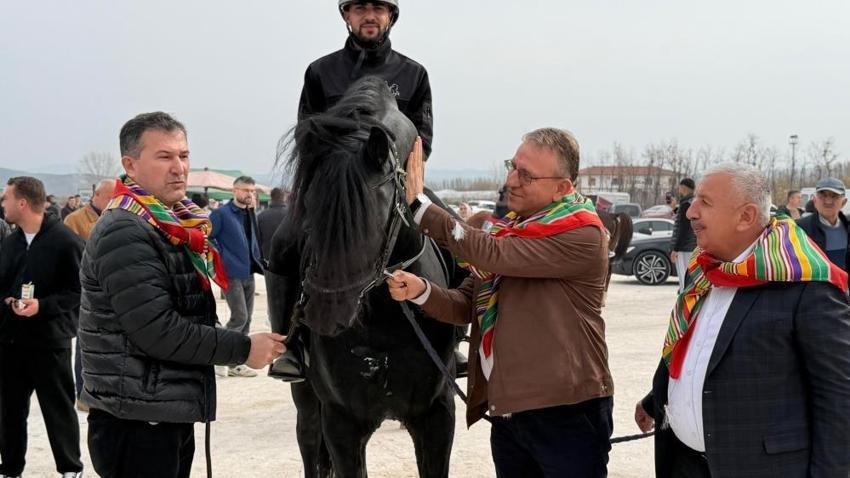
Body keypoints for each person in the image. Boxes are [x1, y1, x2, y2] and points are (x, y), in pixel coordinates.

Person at [388, 129, 614, 477]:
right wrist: (421, 290)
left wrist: (422, 208)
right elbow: (467, 302)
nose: (511, 181)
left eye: (527, 175)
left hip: (565, 412)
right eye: (513, 167)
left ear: (562, 188)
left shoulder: (582, 234)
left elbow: (493, 254)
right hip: (509, 413)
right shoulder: (509, 231)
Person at [79, 112, 285, 477]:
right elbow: (157, 330)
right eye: (164, 156)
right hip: (137, 420)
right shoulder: (125, 230)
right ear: (130, 164)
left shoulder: (171, 224)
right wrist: (242, 348)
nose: (179, 168)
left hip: (160, 408)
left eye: (184, 155)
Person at [635, 164, 850, 477]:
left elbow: (839, 398)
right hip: (684, 463)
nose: (690, 212)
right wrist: (658, 397)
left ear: (746, 216)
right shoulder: (705, 270)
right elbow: (694, 345)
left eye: (705, 202)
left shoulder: (805, 284)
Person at [0, 176, 85, 478]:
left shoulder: (65, 241)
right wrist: (8, 301)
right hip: (10, 341)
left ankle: (70, 469)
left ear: (22, 203)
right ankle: (10, 469)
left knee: (58, 409)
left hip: (50, 342)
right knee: (9, 411)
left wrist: (43, 306)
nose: (3, 204)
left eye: (6, 198)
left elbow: (78, 291)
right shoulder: (9, 243)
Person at [299, 0, 433, 158]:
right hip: (335, 172)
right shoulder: (320, 72)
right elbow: (306, 139)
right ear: (346, 15)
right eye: (360, 8)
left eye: (378, 8)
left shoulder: (414, 75)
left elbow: (421, 144)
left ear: (390, 16)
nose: (369, 17)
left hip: (393, 172)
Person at [62, 178, 115, 413]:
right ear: (98, 195)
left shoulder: (117, 217)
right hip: (86, 291)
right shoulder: (75, 220)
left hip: (113, 290)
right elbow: (67, 258)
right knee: (86, 344)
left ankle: (104, 393)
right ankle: (83, 394)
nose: (114, 200)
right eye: (111, 196)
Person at [209, 176, 265, 377]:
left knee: (247, 319)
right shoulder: (221, 214)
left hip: (249, 271)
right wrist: (222, 257)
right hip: (231, 273)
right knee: (239, 317)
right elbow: (207, 237)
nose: (250, 194)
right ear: (234, 191)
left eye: (252, 191)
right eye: (246, 190)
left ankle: (235, 363)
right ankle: (220, 355)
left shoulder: (250, 213)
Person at [796, 177, 850, 271]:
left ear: (843, 202)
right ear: (815, 200)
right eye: (823, 195)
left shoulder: (847, 226)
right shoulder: (799, 229)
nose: (828, 201)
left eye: (834, 196)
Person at [670, 178, 696, 291]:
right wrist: (675, 209)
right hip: (691, 246)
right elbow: (686, 220)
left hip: (684, 248)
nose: (678, 189)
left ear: (684, 188)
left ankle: (684, 297)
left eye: (680, 187)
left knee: (684, 278)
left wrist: (676, 249)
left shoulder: (686, 204)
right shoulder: (693, 202)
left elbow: (684, 228)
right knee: (690, 276)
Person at [257, 187, 287, 262]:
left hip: (268, 258)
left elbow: (257, 240)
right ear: (284, 197)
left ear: (271, 197)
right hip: (288, 257)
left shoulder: (260, 216)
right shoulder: (292, 215)